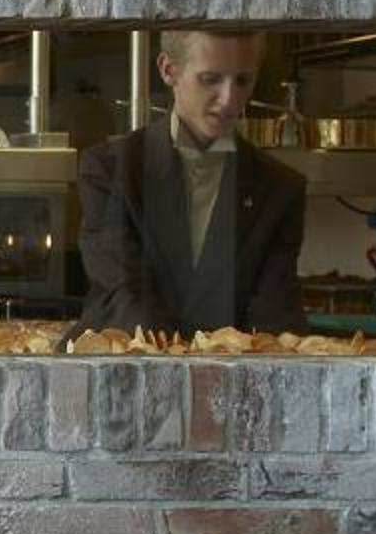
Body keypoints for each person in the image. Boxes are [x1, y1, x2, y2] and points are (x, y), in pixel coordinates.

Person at [76, 27, 310, 336]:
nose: (229, 100)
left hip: (231, 365)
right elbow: (124, 293)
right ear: (168, 70)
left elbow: (276, 315)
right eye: (210, 79)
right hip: (128, 358)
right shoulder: (109, 169)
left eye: (243, 80)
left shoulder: (281, 188)